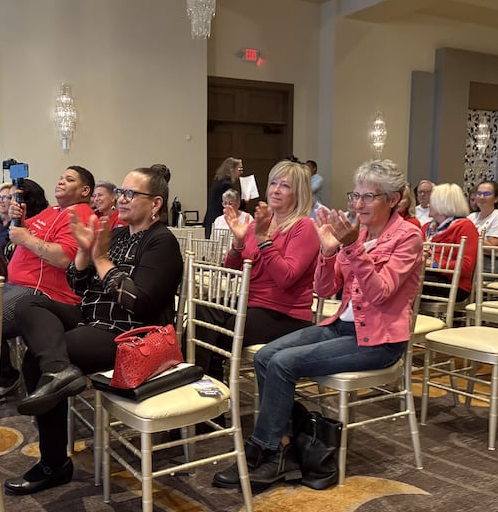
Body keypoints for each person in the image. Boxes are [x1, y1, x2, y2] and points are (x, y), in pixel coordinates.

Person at [212, 159, 423, 490]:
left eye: (370, 197)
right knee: (266, 355)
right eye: (356, 195)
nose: (358, 204)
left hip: (379, 341)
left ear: (393, 199)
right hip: (342, 325)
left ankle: (267, 452)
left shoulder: (407, 236)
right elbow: (323, 290)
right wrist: (328, 254)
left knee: (282, 363)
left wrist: (351, 247)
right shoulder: (360, 232)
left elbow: (381, 294)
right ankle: (279, 446)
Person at [3, 165, 183, 494]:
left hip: (130, 335)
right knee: (29, 302)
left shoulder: (162, 242)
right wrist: (85, 254)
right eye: (122, 192)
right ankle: (59, 369)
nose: (121, 199)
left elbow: (139, 303)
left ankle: (54, 463)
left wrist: (100, 258)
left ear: (155, 204)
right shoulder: (116, 236)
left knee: (33, 361)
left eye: (131, 194)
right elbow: (80, 285)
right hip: (92, 318)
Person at [196, 160, 319, 381]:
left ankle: (213, 403)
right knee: (200, 316)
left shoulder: (304, 227)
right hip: (251, 305)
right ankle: (199, 395)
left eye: (285, 186)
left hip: (285, 313)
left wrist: (264, 241)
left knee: (219, 338)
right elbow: (229, 271)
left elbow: (287, 278)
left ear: (299, 192)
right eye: (273, 183)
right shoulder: (258, 223)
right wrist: (238, 244)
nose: (276, 190)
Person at [0, 167, 96, 397]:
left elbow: (64, 258)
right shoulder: (52, 210)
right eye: (61, 177)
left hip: (42, 294)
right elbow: (23, 231)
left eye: (69, 180)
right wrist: (18, 219)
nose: (61, 181)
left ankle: (2, 380)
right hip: (16, 285)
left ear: (84, 190)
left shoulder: (80, 215)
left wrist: (26, 238)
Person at [422, 183, 479, 301]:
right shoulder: (427, 227)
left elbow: (466, 267)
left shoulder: (465, 226)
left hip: (455, 284)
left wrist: (433, 265)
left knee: (406, 282)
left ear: (442, 204)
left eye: (431, 201)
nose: (428, 204)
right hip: (428, 277)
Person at [204, 157, 243, 238]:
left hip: (210, 218)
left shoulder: (218, 181)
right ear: (232, 169)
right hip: (218, 220)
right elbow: (228, 204)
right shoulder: (226, 185)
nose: (241, 172)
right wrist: (244, 202)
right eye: (239, 169)